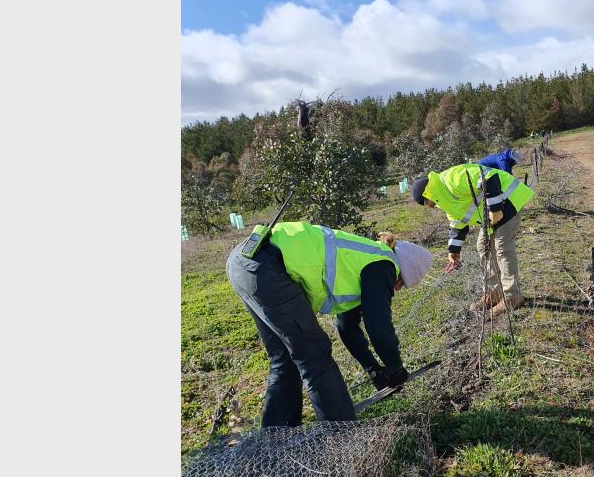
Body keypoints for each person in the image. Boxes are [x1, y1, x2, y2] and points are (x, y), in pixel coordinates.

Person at [225, 222, 434, 428]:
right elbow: (379, 328)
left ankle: (277, 438)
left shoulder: (363, 258)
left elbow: (347, 327)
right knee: (314, 353)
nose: (396, 288)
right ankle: (342, 434)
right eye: (401, 283)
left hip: (244, 261)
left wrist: (374, 370)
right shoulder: (384, 265)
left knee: (284, 358)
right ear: (402, 271)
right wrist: (396, 368)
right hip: (269, 267)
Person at [410, 162, 534, 317]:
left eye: (425, 202)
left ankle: (512, 297)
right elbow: (457, 223)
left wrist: (495, 210)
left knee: (502, 247)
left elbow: (490, 178)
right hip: (491, 215)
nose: (428, 206)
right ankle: (493, 293)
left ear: (427, 193)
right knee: (483, 245)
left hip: (509, 200)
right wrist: (453, 250)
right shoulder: (443, 199)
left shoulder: (452, 179)